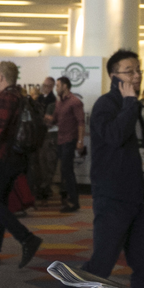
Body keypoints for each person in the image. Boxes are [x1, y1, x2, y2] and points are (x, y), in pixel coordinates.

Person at [49, 49, 144, 288]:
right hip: (113, 198)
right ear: (114, 76)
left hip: (138, 199)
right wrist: (128, 103)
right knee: (100, 266)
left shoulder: (135, 105)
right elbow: (114, 136)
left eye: (138, 70)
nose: (136, 76)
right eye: (130, 71)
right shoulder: (107, 104)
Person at [0, 61, 44, 267]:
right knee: (0, 204)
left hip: (2, 157)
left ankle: (27, 238)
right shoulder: (20, 97)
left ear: (2, 77)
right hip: (17, 157)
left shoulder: (6, 97)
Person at [52, 75, 84, 212]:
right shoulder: (59, 102)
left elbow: (81, 123)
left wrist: (80, 141)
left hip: (70, 140)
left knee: (67, 170)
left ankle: (73, 201)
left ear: (65, 86)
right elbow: (55, 120)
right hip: (60, 140)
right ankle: (67, 199)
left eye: (58, 86)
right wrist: (48, 119)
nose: (56, 88)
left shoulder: (75, 102)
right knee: (64, 171)